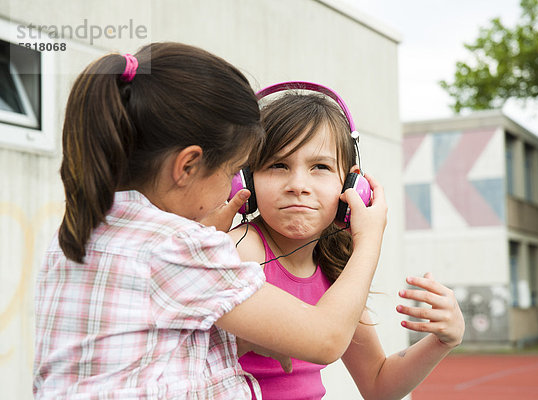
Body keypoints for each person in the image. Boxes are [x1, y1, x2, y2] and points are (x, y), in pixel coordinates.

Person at [33, 43, 387, 399]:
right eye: (233, 170)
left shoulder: (83, 232)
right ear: (188, 167)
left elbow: (145, 351)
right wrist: (368, 239)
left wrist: (241, 345)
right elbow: (325, 340)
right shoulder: (179, 245)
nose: (232, 187)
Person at [228, 88, 465, 400]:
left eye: (320, 167)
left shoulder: (334, 271)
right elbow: (324, 342)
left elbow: (378, 384)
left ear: (352, 185)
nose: (298, 185)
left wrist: (443, 340)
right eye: (278, 165)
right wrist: (369, 239)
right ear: (247, 179)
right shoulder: (237, 252)